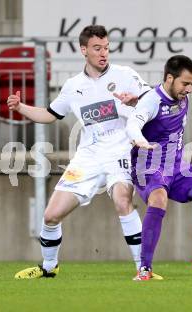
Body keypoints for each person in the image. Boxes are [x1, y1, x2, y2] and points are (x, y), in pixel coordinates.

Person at [10, 25, 162, 280]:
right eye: (97, 48)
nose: (103, 53)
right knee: (51, 215)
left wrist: (135, 100)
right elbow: (50, 114)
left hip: (120, 150)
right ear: (84, 50)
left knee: (122, 201)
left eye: (106, 48)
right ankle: (49, 267)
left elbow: (153, 99)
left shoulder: (125, 75)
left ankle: (143, 268)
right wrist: (21, 107)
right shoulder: (73, 86)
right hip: (88, 156)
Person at [126, 55, 192, 281]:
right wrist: (138, 139)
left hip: (176, 167)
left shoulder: (179, 96)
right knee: (158, 198)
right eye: (185, 83)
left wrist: (135, 98)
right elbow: (133, 123)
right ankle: (144, 268)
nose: (189, 89)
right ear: (169, 78)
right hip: (148, 168)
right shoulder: (152, 101)